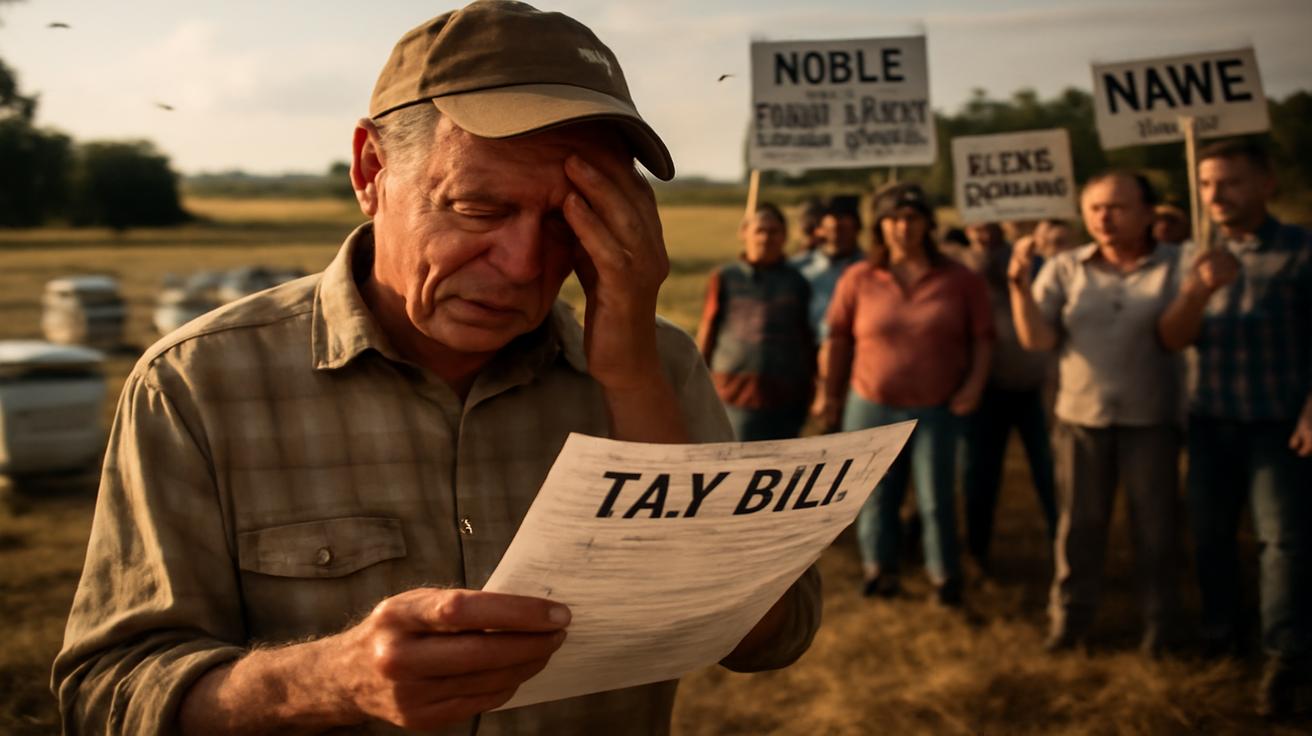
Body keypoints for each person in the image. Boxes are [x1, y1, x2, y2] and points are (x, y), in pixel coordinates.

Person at [51, 3, 821, 734]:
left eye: (570, 223)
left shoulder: (658, 365)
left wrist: (630, 379)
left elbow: (769, 639)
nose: (523, 265)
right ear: (370, 171)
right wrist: (331, 680)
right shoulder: (197, 386)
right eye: (478, 211)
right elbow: (106, 697)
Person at [1157, 139, 1312, 717]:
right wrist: (1198, 289)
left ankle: (1285, 655)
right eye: (1205, 184)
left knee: (1282, 544)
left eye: (1229, 182)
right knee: (1212, 538)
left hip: (1279, 424)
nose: (1215, 195)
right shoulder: (1191, 255)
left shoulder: (1300, 250)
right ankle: (1223, 636)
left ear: (1267, 184)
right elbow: (1171, 339)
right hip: (1212, 422)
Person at [1008, 171, 1183, 656]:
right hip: (1081, 417)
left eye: (1117, 207)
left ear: (1148, 213)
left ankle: (1160, 624)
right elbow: (1037, 340)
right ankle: (1071, 619)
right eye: (1094, 208)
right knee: (1079, 525)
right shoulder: (1065, 267)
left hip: (1152, 417)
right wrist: (1018, 287)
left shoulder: (1179, 265)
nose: (1103, 217)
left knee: (1156, 528)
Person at [818, 183, 993, 604]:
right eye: (893, 219)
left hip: (936, 406)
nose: (902, 228)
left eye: (912, 218)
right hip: (871, 401)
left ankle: (944, 577)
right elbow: (838, 338)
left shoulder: (959, 279)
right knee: (874, 495)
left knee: (935, 498)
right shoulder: (860, 277)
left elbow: (983, 339)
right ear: (880, 227)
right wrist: (829, 392)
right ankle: (880, 571)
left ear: (928, 224)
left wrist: (973, 387)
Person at [954, 221, 1058, 576]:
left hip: (1034, 384)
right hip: (984, 389)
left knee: (1051, 474)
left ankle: (1065, 550)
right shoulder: (959, 265)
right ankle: (977, 551)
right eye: (976, 221)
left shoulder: (1033, 260)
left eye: (991, 222)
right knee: (980, 475)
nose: (982, 229)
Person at [696, 203, 814, 441]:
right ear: (744, 234)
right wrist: (697, 378)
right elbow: (708, 329)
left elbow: (805, 338)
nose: (765, 238)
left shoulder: (797, 282)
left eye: (773, 231)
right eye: (759, 230)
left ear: (784, 237)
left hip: (785, 394)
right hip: (734, 390)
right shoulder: (726, 277)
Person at [791, 195, 865, 346]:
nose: (837, 235)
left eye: (842, 229)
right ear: (819, 230)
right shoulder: (798, 268)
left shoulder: (871, 270)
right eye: (831, 229)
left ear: (856, 228)